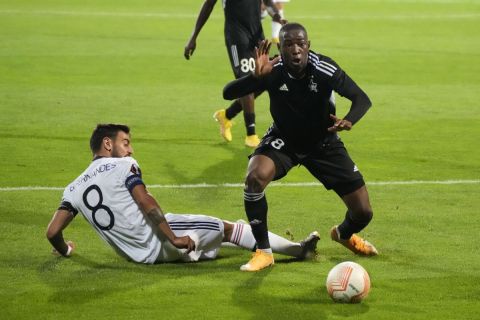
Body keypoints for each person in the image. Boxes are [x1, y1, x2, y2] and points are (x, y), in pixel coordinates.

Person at [223, 23, 378, 272]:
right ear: (280, 48)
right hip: (285, 140)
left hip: (323, 142)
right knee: (254, 177)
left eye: (300, 44)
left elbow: (362, 99)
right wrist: (255, 78)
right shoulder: (272, 69)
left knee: (363, 212)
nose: (295, 49)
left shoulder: (324, 67)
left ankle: (343, 234)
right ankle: (263, 251)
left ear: (308, 46)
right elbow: (227, 93)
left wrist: (349, 119)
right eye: (288, 44)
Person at [46, 124, 320, 264]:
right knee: (226, 228)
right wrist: (173, 237)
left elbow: (52, 232)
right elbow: (146, 203)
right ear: (108, 144)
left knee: (213, 236)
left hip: (134, 254)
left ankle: (252, 244)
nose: (129, 150)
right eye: (125, 143)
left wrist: (66, 250)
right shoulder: (123, 165)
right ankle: (298, 251)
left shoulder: (74, 187)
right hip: (158, 240)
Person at [184, 0, 284, 148]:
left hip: (257, 36)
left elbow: (268, 2)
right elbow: (208, 5)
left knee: (269, 77)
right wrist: (193, 37)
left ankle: (227, 115)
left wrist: (276, 15)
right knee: (246, 80)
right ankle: (251, 134)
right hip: (237, 38)